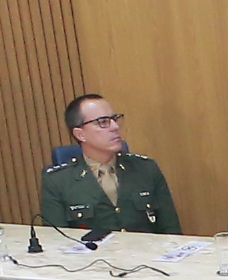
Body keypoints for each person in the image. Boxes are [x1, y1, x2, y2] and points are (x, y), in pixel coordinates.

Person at [36, 92, 181, 240]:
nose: (115, 126)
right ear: (80, 134)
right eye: (103, 122)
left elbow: (171, 232)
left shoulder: (145, 169)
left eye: (115, 119)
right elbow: (57, 241)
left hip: (147, 253)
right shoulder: (58, 181)